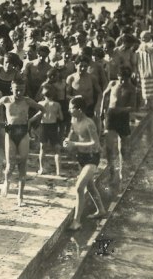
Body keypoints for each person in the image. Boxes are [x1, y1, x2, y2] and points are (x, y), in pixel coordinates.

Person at [0, 79, 44, 206]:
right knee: (10, 164)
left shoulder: (27, 101)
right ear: (11, 89)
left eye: (21, 90)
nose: (19, 92)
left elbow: (42, 109)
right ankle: (7, 181)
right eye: (16, 90)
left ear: (24, 90)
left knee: (22, 165)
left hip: (23, 132)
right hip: (10, 132)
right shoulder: (6, 100)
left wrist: (31, 120)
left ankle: (20, 196)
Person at [62, 96, 107, 230]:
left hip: (92, 157)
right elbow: (71, 132)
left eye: (71, 108)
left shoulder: (89, 123)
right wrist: (67, 140)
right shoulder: (73, 119)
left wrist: (74, 143)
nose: (69, 110)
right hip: (81, 156)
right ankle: (101, 210)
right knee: (90, 186)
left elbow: (95, 143)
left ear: (79, 110)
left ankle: (77, 221)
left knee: (79, 188)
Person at [100, 66, 137, 184]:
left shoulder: (132, 89)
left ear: (128, 78)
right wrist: (102, 111)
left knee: (123, 148)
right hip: (111, 116)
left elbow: (133, 107)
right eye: (120, 79)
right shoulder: (112, 83)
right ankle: (111, 171)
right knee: (109, 146)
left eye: (124, 80)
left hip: (122, 117)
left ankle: (122, 172)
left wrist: (119, 110)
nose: (122, 82)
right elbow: (104, 95)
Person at [36, 85, 64, 177]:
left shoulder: (40, 103)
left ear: (43, 95)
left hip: (43, 126)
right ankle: (58, 171)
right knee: (57, 149)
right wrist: (54, 114)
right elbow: (61, 117)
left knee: (42, 149)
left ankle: (41, 168)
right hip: (53, 126)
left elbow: (38, 116)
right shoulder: (57, 104)